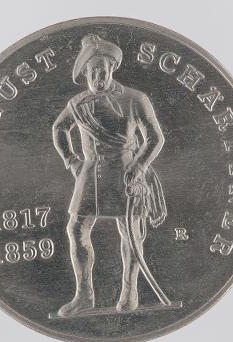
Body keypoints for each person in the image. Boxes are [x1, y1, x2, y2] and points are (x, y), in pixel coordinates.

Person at [52, 34, 167, 317]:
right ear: (85, 73)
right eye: (93, 71)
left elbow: (155, 138)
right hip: (90, 172)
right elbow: (59, 128)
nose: (98, 76)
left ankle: (129, 292)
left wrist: (139, 167)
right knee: (76, 230)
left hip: (126, 171)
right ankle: (84, 296)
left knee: (131, 234)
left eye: (102, 70)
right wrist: (71, 161)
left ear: (112, 69)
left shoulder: (135, 98)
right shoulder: (77, 103)